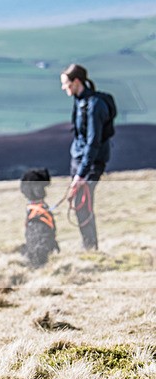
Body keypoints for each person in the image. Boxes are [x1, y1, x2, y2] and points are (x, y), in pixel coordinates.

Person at [59, 64, 112, 251]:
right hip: (79, 159)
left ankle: (90, 249)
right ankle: (88, 246)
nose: (63, 87)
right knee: (79, 204)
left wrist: (80, 175)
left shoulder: (94, 106)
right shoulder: (79, 100)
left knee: (84, 205)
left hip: (91, 163)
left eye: (66, 83)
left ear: (77, 82)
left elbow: (93, 142)